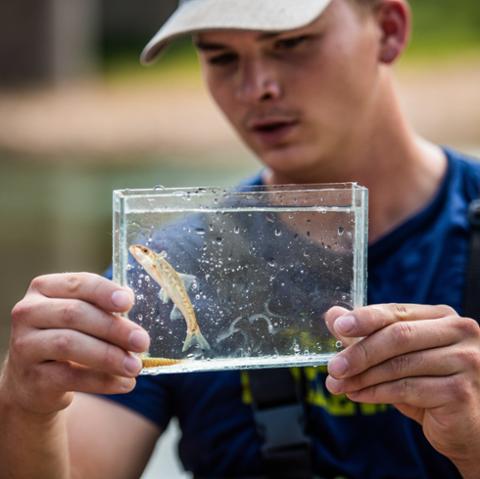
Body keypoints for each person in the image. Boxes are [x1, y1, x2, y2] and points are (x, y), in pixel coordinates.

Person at [1, 0, 480, 477]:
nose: (257, 89)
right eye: (221, 57)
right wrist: (25, 407)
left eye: (291, 44)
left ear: (390, 30)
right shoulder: (173, 265)